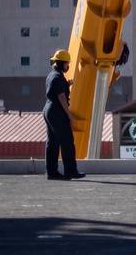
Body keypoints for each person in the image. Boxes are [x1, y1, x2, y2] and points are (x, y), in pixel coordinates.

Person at [43, 50, 84, 180]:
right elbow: (61, 97)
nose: (68, 66)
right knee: (67, 141)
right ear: (63, 63)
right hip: (57, 111)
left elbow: (56, 90)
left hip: (48, 109)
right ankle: (71, 171)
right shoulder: (58, 77)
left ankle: (51, 172)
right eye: (67, 63)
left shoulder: (52, 75)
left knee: (53, 142)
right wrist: (69, 116)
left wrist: (67, 85)